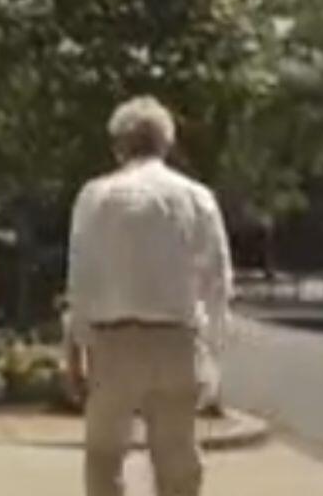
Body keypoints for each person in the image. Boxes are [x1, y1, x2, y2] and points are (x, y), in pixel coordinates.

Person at [66, 96, 233, 496]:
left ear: (118, 145)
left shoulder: (95, 196)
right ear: (166, 143)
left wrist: (76, 349)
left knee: (104, 459)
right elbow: (217, 279)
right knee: (177, 463)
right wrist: (211, 351)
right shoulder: (196, 197)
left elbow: (81, 276)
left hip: (114, 342)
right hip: (176, 340)